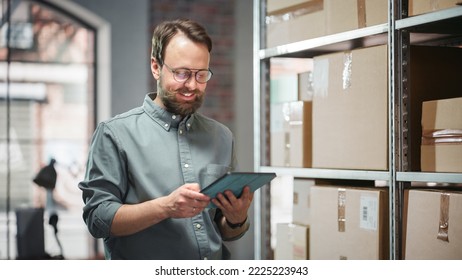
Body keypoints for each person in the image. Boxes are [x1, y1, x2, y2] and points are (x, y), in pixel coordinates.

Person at [78, 18, 253, 260]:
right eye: (181, 73)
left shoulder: (221, 136)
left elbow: (220, 228)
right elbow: (98, 219)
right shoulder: (114, 133)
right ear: (156, 67)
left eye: (201, 75)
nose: (191, 85)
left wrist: (236, 218)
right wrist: (166, 207)